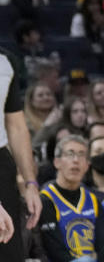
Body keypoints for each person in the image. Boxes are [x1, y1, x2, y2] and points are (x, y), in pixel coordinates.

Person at [38, 134, 104, 262]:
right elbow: (54, 250)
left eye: (81, 155)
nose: (76, 160)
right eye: (70, 154)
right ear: (57, 162)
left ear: (87, 165)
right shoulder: (46, 199)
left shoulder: (93, 200)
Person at [0, 45, 43, 259]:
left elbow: (16, 125)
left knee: (9, 252)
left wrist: (30, 184)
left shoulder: (6, 60)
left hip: (2, 164)